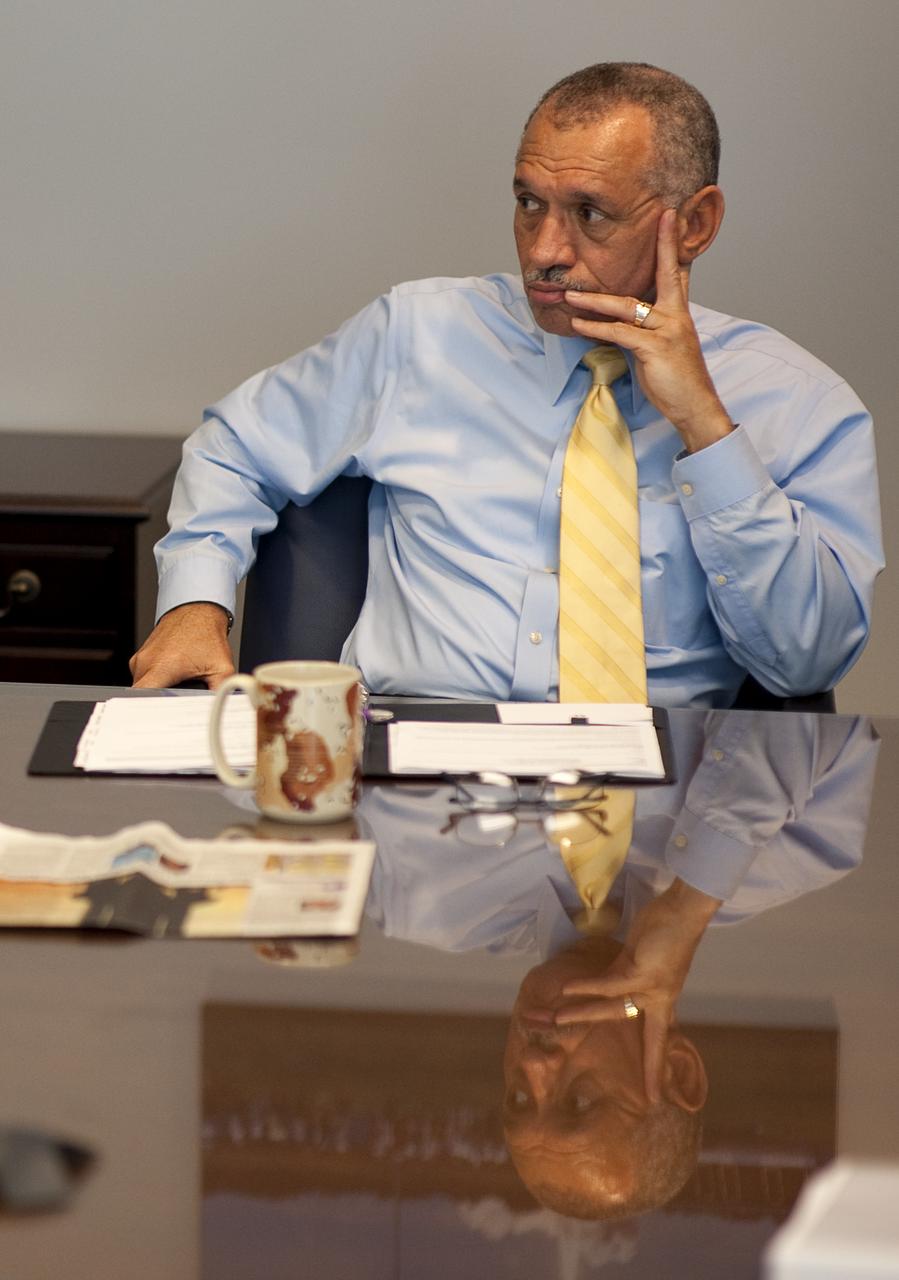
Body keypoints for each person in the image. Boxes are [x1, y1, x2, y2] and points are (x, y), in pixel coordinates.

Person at [130, 62, 883, 707]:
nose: (546, 252)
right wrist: (195, 603)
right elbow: (235, 446)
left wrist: (704, 430)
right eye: (529, 205)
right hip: (412, 784)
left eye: (590, 214)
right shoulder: (416, 336)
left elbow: (804, 665)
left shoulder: (799, 403)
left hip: (662, 797)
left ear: (694, 224)